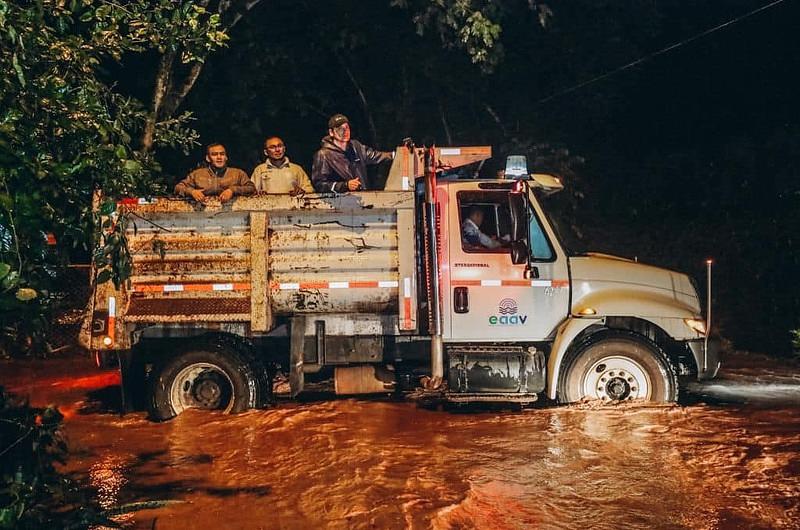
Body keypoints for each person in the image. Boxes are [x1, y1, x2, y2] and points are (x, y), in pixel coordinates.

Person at [311, 114, 393, 193]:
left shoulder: (356, 147)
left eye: (347, 128)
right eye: (340, 129)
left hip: (364, 199)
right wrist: (345, 185)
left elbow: (375, 156)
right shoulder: (323, 155)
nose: (345, 131)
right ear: (331, 132)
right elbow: (319, 184)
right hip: (340, 203)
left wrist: (396, 155)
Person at [175, 143, 255, 203]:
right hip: (202, 215)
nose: (219, 157)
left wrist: (232, 190)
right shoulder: (197, 174)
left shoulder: (237, 173)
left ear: (226, 157)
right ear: (208, 158)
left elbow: (251, 188)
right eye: (214, 154)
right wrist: (192, 192)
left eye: (222, 154)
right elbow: (178, 187)